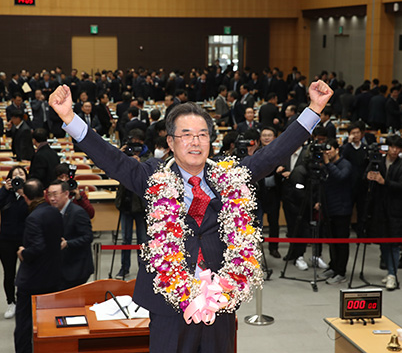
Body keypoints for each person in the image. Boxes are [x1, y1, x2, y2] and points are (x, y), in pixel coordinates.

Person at [49, 79, 332, 352]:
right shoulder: (152, 176)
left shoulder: (228, 177)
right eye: (186, 135)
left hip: (219, 300)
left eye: (202, 135)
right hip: (168, 302)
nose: (195, 142)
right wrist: (70, 117)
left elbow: (273, 155)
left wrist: (313, 110)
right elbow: (111, 158)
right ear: (171, 142)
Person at [14, 178, 63, 353]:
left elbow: (37, 248)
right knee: (48, 322)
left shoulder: (33, 217)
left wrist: (22, 253)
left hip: (32, 280)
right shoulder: (55, 212)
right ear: (43, 194)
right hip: (52, 276)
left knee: (24, 324)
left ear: (26, 197)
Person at [365, 135, 402, 291]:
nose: (394, 150)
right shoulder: (378, 162)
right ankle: (389, 271)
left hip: (396, 209)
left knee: (394, 244)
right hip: (379, 209)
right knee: (383, 242)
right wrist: (369, 177)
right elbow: (365, 176)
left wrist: (385, 182)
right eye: (391, 147)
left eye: (397, 148)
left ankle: (393, 274)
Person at [0, 166, 29, 319]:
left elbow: (37, 208)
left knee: (27, 273)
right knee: (9, 273)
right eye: (15, 175)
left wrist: (24, 193)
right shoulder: (6, 193)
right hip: (7, 239)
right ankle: (11, 303)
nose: (19, 177)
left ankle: (24, 302)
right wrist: (4, 190)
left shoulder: (30, 193)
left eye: (21, 174)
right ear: (9, 179)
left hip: (26, 240)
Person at [114, 129, 150, 279]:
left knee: (142, 240)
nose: (134, 146)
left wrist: (139, 165)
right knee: (125, 239)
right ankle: (124, 268)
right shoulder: (125, 155)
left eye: (137, 142)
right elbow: (114, 170)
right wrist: (120, 154)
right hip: (125, 203)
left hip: (141, 205)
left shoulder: (148, 157)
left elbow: (151, 175)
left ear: (142, 142)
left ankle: (143, 268)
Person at [47, 180, 94, 290]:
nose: (52, 198)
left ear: (66, 194)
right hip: (61, 266)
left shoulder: (78, 212)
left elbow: (88, 237)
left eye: (55, 194)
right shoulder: (53, 211)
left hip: (76, 268)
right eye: (49, 195)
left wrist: (67, 243)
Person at [318, 139, 352, 284]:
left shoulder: (345, 164)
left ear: (337, 150)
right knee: (332, 241)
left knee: (341, 242)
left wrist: (327, 163)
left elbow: (340, 177)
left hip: (342, 209)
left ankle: (341, 272)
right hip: (328, 208)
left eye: (329, 149)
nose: (327, 152)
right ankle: (334, 266)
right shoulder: (327, 165)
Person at [256, 127, 281, 258]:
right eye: (264, 135)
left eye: (269, 135)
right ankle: (256, 250)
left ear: (274, 137)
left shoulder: (280, 152)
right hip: (259, 195)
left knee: (274, 224)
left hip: (274, 193)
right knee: (257, 224)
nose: (266, 137)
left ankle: (274, 248)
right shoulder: (257, 152)